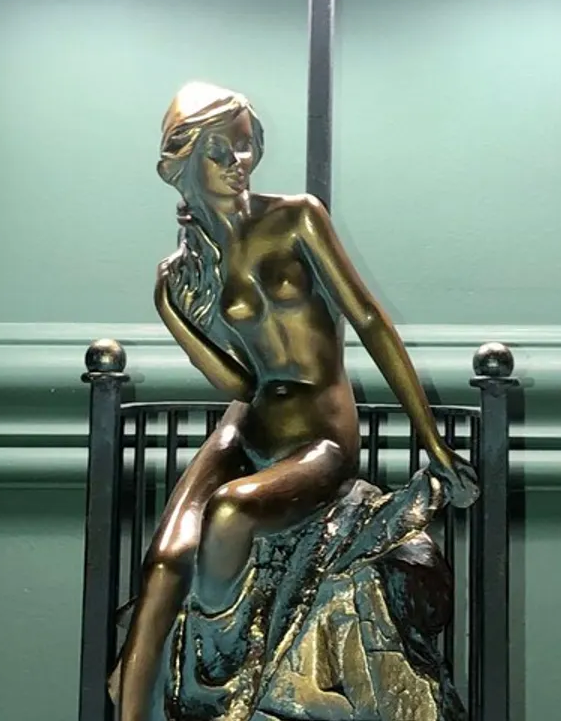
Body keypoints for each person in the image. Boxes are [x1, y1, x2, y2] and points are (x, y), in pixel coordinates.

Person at [110, 81, 478, 721]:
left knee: (230, 513)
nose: (239, 163)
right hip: (248, 428)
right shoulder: (183, 270)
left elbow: (368, 319)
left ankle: (224, 676)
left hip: (321, 435)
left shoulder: (297, 217)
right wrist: (173, 312)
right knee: (165, 560)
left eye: (246, 147)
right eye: (221, 151)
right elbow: (240, 385)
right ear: (185, 160)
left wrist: (431, 439)